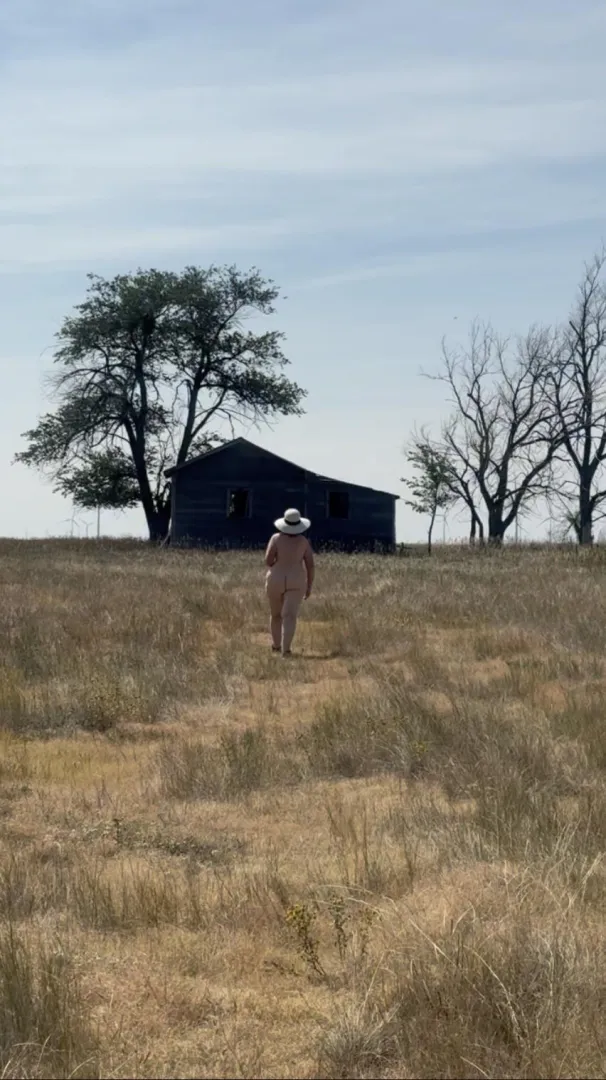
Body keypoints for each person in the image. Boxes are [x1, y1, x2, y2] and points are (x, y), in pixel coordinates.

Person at [264, 508, 315, 657]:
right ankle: (286, 650)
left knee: (276, 615)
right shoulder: (304, 542)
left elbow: (268, 560)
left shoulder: (275, 538)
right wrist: (309, 586)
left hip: (276, 578)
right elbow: (310, 565)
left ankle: (276, 646)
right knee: (290, 616)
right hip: (296, 580)